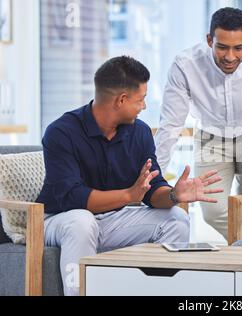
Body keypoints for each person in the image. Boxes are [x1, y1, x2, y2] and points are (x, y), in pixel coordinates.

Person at [36, 56, 223, 296]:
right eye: (141, 99)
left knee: (176, 218)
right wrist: (128, 195)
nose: (144, 106)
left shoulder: (140, 133)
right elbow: (73, 198)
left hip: (112, 219)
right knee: (81, 222)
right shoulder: (61, 132)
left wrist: (174, 195)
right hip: (59, 220)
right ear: (121, 100)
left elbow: (153, 189)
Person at [155, 7, 242, 240]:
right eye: (222, 47)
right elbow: (170, 124)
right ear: (209, 40)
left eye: (238, 48)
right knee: (212, 210)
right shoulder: (185, 64)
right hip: (211, 138)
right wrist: (155, 176)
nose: (230, 56)